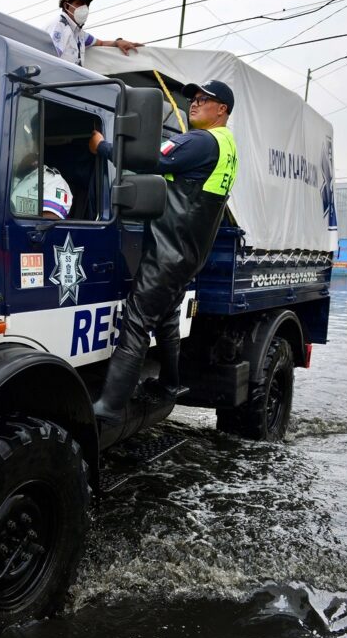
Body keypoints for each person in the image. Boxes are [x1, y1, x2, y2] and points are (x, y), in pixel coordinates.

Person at [89, 79, 239, 423]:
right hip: (189, 253)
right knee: (168, 317)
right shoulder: (228, 145)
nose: (195, 103)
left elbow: (149, 159)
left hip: (168, 251)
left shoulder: (201, 141)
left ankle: (109, 408)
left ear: (223, 110)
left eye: (205, 99)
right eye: (194, 99)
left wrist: (102, 147)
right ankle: (170, 384)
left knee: (137, 323)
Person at [46, 0, 142, 66]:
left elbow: (100, 43)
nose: (84, 8)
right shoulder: (59, 26)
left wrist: (117, 42)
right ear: (66, 5)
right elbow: (49, 58)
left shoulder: (79, 33)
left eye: (86, 4)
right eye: (79, 3)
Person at [10, 110, 74, 219]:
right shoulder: (6, 178)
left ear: (35, 145)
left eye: (19, 142)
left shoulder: (54, 182)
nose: (14, 148)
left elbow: (47, 224)